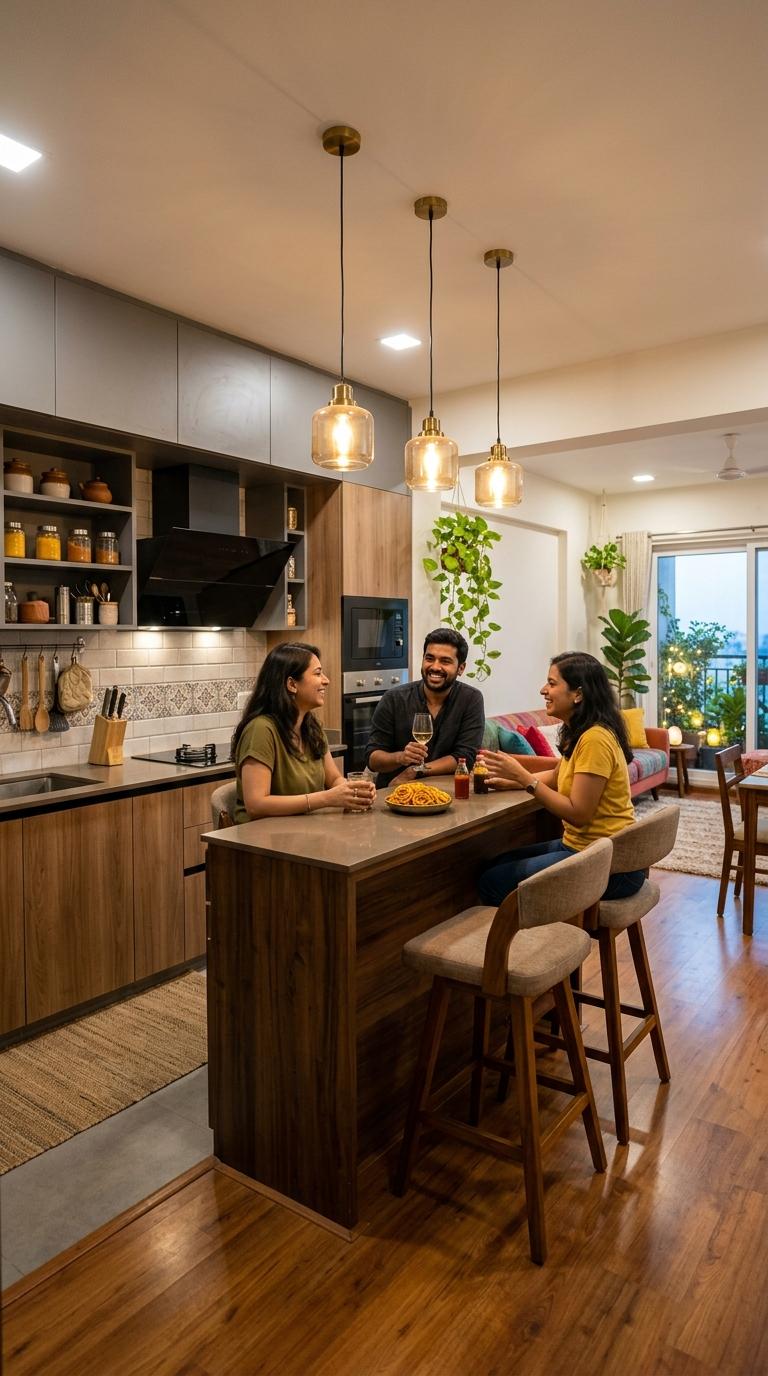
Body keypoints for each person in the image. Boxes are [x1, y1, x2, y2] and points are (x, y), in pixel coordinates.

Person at [477, 651, 645, 904]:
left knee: (492, 882)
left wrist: (525, 779)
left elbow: (579, 813)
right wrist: (510, 781)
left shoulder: (595, 739)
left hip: (611, 865)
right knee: (497, 863)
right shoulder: (578, 730)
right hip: (586, 847)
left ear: (578, 694)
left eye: (552, 683)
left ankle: (534, 943)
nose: (543, 690)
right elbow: (557, 776)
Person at [231, 642, 374, 823]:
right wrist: (327, 798)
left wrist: (353, 792)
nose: (326, 680)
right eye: (317, 673)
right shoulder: (260, 730)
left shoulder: (311, 726)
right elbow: (256, 805)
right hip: (261, 841)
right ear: (292, 684)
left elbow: (334, 779)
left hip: (303, 832)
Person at [365, 627, 484, 788]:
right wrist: (400, 757)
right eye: (430, 658)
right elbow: (373, 759)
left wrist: (416, 771)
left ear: (461, 668)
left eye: (445, 661)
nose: (435, 667)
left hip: (449, 795)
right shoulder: (393, 699)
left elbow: (465, 757)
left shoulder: (471, 699)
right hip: (394, 795)